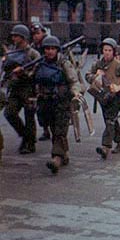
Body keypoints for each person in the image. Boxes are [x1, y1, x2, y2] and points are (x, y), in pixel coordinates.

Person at [34, 36, 82, 174]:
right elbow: (32, 78)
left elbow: (74, 80)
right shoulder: (39, 63)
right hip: (46, 102)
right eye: (47, 49)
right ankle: (64, 154)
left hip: (62, 102)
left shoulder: (64, 64)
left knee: (60, 130)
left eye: (52, 49)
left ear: (57, 50)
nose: (49, 51)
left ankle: (57, 158)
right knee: (53, 129)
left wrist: (76, 93)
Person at [87, 38, 120, 159]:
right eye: (105, 50)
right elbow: (87, 76)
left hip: (116, 97)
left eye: (109, 50)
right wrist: (96, 76)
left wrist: (119, 87)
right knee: (111, 120)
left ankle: (105, 147)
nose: (107, 52)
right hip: (103, 96)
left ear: (114, 52)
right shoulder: (98, 64)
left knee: (110, 120)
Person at [2, 24, 40, 154]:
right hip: (14, 88)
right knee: (9, 113)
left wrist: (23, 73)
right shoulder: (12, 51)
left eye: (16, 36)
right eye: (13, 35)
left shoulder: (33, 53)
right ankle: (25, 136)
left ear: (23, 37)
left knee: (29, 117)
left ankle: (30, 144)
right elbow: (6, 69)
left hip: (28, 88)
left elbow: (36, 72)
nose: (13, 38)